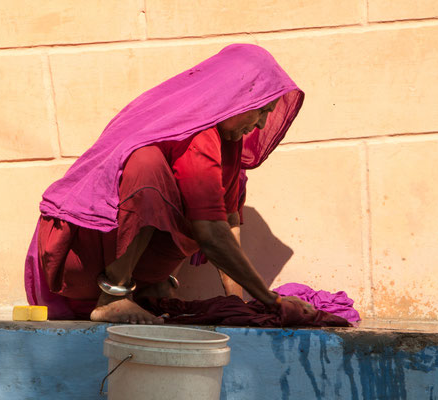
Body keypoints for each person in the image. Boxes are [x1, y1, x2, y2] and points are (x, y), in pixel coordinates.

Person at [24, 44, 313, 324]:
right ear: (238, 97)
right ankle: (113, 296)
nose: (262, 124)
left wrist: (236, 303)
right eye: (261, 110)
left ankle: (149, 286)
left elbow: (227, 220)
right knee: (146, 163)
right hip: (78, 259)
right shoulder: (198, 131)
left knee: (232, 180)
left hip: (135, 271)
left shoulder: (228, 143)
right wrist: (269, 299)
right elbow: (210, 232)